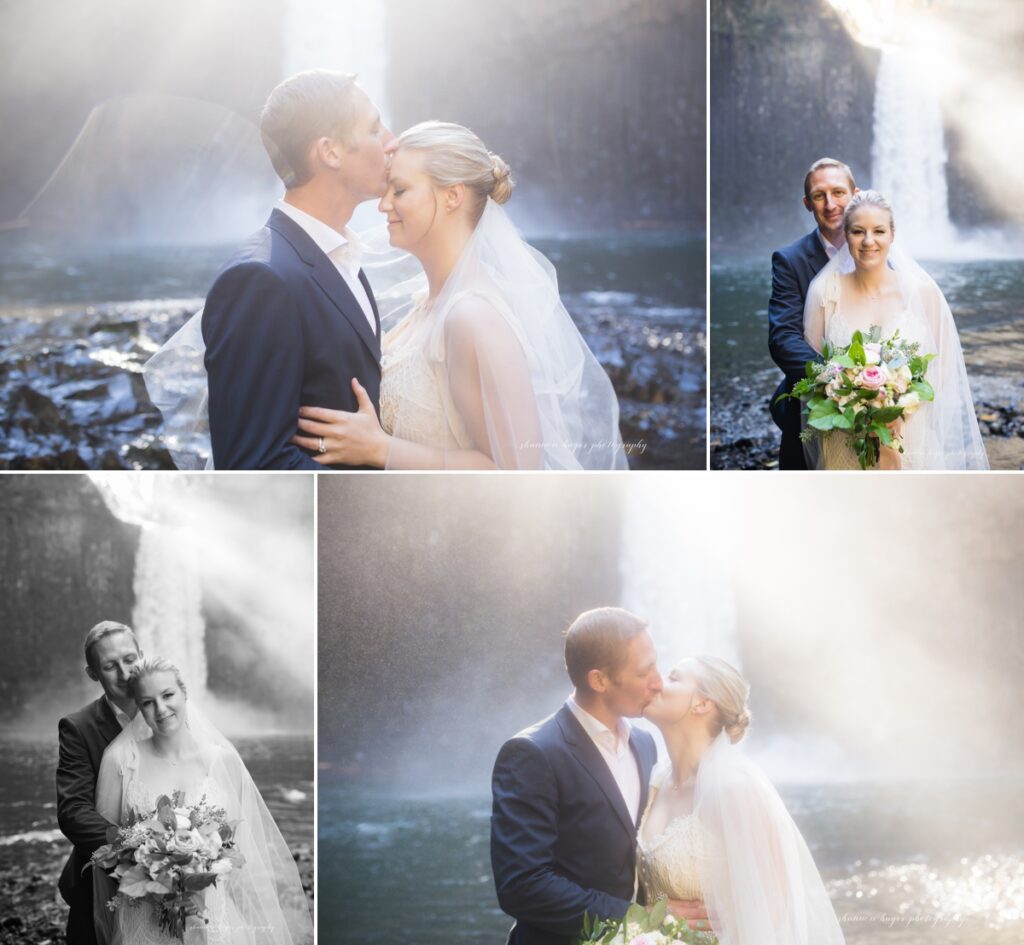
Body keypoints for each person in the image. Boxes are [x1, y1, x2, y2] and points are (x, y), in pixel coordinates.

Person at [288, 121, 628, 469]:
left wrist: (381, 450)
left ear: (452, 196)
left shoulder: (472, 317)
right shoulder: (428, 302)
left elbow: (518, 474)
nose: (383, 205)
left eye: (400, 190)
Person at [146, 69, 395, 470]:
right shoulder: (261, 280)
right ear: (330, 152)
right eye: (375, 129)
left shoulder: (342, 257)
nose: (392, 143)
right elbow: (252, 467)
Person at [490, 608, 705, 945]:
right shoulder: (531, 754)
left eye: (656, 664)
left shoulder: (644, 743)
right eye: (644, 671)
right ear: (599, 680)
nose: (658, 681)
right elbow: (523, 886)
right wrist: (643, 919)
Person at [92, 657, 312, 944]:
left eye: (168, 695)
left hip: (213, 915)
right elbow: (105, 850)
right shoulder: (121, 760)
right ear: (139, 708)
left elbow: (240, 852)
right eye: (147, 702)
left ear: (185, 693)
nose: (161, 709)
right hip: (145, 917)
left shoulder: (223, 760)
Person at [640, 655, 845, 944]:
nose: (657, 682)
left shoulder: (734, 788)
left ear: (703, 703)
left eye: (673, 678)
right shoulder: (656, 779)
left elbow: (772, 908)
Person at [802, 190, 988, 470]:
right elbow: (813, 369)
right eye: (857, 231)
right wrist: (852, 404)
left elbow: (944, 363)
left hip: (910, 432)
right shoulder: (826, 292)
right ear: (846, 235)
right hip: (845, 437)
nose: (868, 241)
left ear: (892, 234)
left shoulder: (923, 293)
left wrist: (902, 409)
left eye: (878, 231)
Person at [768, 158, 858, 470]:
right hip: (810, 409)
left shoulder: (878, 253)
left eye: (838, 192)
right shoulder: (789, 260)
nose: (831, 204)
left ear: (855, 194)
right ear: (808, 204)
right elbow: (782, 339)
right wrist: (838, 383)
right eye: (820, 196)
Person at [57, 621, 143, 945]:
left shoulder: (171, 714)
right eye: (110, 666)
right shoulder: (78, 728)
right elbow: (73, 811)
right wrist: (136, 849)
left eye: (130, 659)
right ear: (93, 673)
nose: (125, 673)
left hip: (174, 874)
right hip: (100, 881)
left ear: (142, 656)